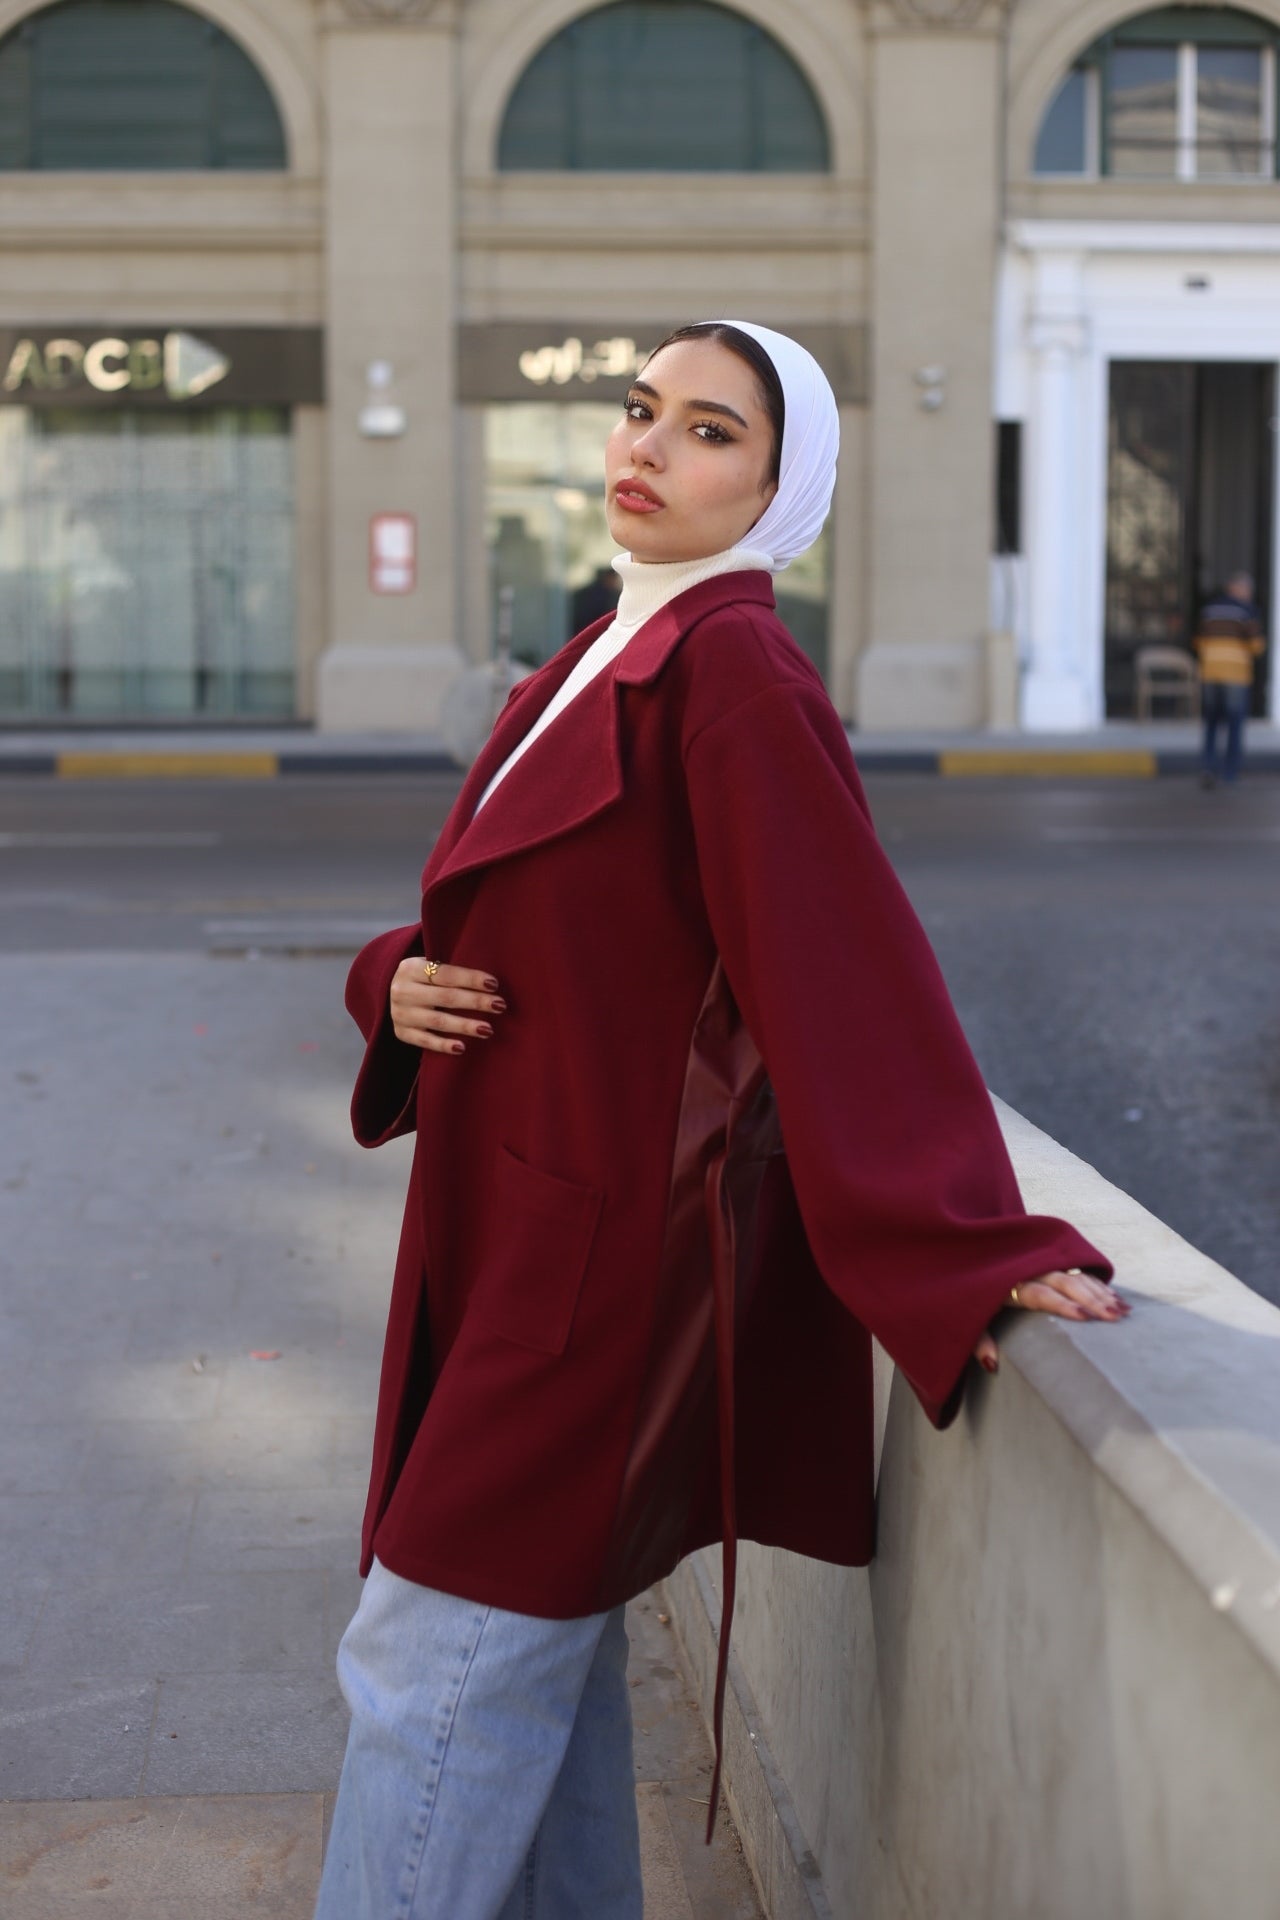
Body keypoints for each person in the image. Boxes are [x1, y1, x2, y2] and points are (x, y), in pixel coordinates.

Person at [316, 322, 1128, 1920]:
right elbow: (535, 924)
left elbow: (839, 970)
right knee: (525, 1684)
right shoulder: (607, 649)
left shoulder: (732, 669)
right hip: (513, 1241)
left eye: (708, 432)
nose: (651, 449)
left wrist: (965, 1233)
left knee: (429, 1669)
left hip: (591, 1276)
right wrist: (391, 978)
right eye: (640, 412)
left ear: (780, 485)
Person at [1195, 570, 1266, 787]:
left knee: (1211, 722)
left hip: (1210, 671)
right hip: (1235, 674)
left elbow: (1199, 642)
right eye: (1247, 589)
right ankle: (1230, 772)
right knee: (1235, 723)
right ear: (1237, 588)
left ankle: (1208, 766)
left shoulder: (1209, 609)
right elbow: (1256, 646)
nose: (1249, 594)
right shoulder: (1247, 611)